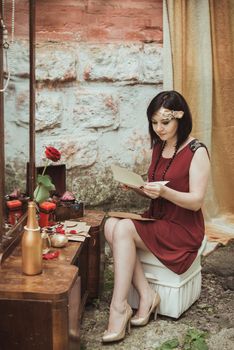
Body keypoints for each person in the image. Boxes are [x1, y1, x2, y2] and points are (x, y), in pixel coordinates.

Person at [102, 90, 210, 343]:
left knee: (124, 228)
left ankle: (118, 308)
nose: (159, 128)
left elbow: (196, 202)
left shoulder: (197, 151)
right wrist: (139, 188)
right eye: (154, 122)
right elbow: (156, 194)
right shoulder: (159, 146)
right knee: (110, 226)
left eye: (165, 122)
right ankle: (147, 295)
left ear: (180, 120)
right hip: (159, 218)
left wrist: (164, 190)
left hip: (183, 228)